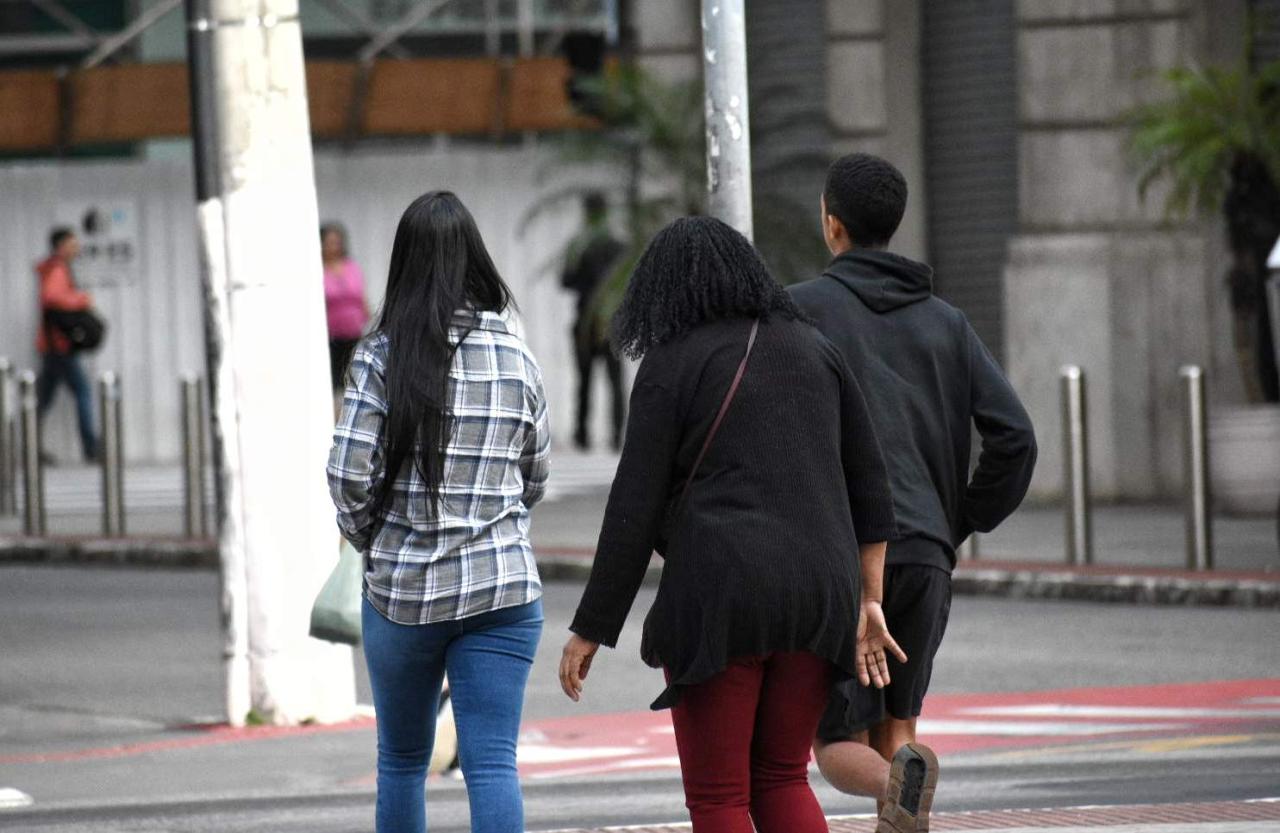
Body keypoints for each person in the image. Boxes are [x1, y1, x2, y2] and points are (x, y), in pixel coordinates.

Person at [559, 216, 916, 833]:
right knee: (781, 776)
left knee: (719, 795)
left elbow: (633, 509)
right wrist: (870, 599)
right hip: (819, 595)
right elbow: (871, 489)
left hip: (721, 592)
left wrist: (591, 628)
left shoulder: (672, 362)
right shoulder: (816, 349)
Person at [791, 154, 1038, 822]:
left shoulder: (801, 312)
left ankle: (894, 789)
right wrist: (956, 518)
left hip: (844, 553)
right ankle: (902, 794)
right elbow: (1016, 436)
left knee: (834, 736)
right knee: (899, 723)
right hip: (927, 550)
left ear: (832, 223)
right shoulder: (946, 321)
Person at [327, 192, 550, 833]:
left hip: (404, 593)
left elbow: (348, 476)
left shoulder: (380, 356)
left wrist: (372, 537)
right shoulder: (514, 352)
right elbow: (535, 472)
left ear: (404, 263)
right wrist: (493, 519)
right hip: (503, 588)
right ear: (475, 261)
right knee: (493, 763)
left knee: (401, 762)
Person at [561, 192, 626, 450]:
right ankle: (617, 436)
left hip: (587, 322)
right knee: (615, 381)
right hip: (612, 322)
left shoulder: (579, 245)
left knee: (585, 381)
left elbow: (566, 281)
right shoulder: (618, 246)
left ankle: (582, 436)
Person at [35, 227, 99, 463]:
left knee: (42, 399)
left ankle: (31, 447)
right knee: (82, 391)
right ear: (60, 246)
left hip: (52, 346)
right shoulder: (58, 269)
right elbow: (51, 297)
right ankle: (91, 447)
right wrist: (81, 299)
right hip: (59, 346)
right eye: (72, 244)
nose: (76, 248)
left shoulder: (54, 268)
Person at [322, 222, 370, 391]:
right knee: (335, 380)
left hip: (354, 332)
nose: (334, 247)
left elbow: (361, 295)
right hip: (331, 336)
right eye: (329, 243)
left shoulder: (352, 267)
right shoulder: (319, 270)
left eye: (337, 242)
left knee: (355, 377)